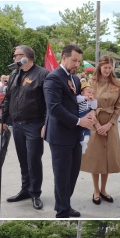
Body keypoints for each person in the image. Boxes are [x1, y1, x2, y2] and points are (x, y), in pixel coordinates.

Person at [43, 44, 94, 218]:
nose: (76, 64)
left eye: (79, 61)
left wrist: (90, 112)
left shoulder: (75, 79)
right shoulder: (53, 78)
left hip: (74, 133)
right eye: (74, 60)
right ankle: (62, 211)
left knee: (72, 173)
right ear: (63, 58)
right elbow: (54, 107)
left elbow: (76, 102)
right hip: (60, 135)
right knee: (62, 175)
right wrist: (80, 121)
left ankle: (65, 204)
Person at [2, 45, 49, 211]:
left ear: (25, 57)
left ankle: (35, 193)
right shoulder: (15, 74)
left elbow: (48, 103)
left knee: (33, 160)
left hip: (34, 125)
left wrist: (45, 124)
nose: (13, 58)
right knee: (23, 159)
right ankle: (25, 189)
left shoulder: (42, 74)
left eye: (16, 56)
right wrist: (4, 119)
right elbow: (8, 98)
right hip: (18, 125)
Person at [81, 55, 120, 205]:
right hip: (94, 123)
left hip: (111, 126)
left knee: (107, 159)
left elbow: (119, 106)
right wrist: (97, 125)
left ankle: (104, 189)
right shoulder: (91, 82)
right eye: (105, 67)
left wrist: (110, 124)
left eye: (109, 67)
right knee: (96, 159)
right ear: (99, 67)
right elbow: (87, 104)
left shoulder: (117, 83)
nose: (107, 70)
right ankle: (95, 190)